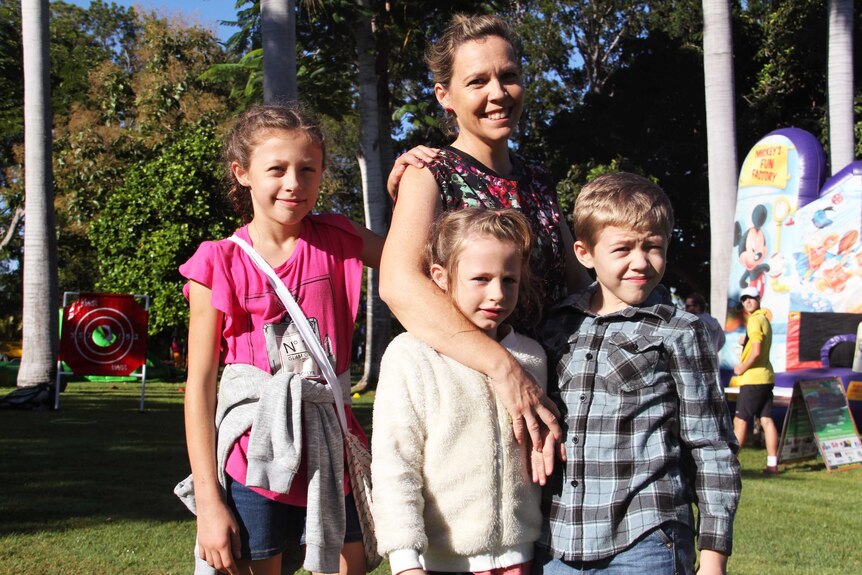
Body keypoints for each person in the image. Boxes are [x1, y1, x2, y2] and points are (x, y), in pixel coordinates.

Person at [176, 103, 383, 575]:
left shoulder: (337, 238)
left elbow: (412, 264)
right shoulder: (218, 263)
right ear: (242, 173)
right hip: (253, 461)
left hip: (332, 453)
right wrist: (208, 501)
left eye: (307, 169)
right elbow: (200, 387)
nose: (294, 182)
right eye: (277, 169)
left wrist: (417, 181)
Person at [380, 13, 589, 469]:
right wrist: (503, 367)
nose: (498, 93)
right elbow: (398, 283)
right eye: (477, 81)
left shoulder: (538, 180)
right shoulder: (429, 173)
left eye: (509, 76)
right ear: (445, 96)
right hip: (472, 406)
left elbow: (579, 291)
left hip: (554, 395)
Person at [535, 173, 741, 575]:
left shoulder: (680, 330)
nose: (640, 262)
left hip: (646, 539)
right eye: (623, 249)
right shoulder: (554, 325)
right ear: (584, 252)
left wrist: (714, 558)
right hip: (556, 544)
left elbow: (712, 445)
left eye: (653, 247)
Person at [372, 208, 547, 575]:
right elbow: (395, 464)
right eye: (480, 279)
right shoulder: (411, 355)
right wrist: (405, 560)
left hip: (524, 559)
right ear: (440, 277)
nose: (497, 294)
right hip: (440, 565)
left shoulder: (532, 356)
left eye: (509, 280)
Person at [732, 286, 779, 475]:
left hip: (753, 379)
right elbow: (758, 344)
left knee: (740, 420)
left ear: (758, 299)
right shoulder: (764, 319)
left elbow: (757, 351)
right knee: (766, 421)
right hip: (766, 377)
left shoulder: (753, 320)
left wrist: (741, 368)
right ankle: (772, 464)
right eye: (744, 299)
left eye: (751, 298)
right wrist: (747, 343)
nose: (747, 302)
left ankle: (730, 463)